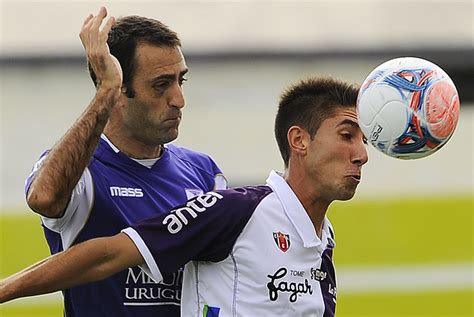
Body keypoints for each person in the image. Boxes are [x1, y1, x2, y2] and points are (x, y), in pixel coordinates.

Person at [2, 76, 368, 316]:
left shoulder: (324, 235)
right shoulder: (235, 210)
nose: (362, 154)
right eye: (347, 135)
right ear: (299, 140)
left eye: (364, 140)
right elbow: (109, 253)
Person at [22, 6, 226, 317]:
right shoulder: (81, 171)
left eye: (180, 81)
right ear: (119, 91)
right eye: (161, 85)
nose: (178, 99)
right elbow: (44, 198)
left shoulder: (204, 173)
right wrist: (104, 91)